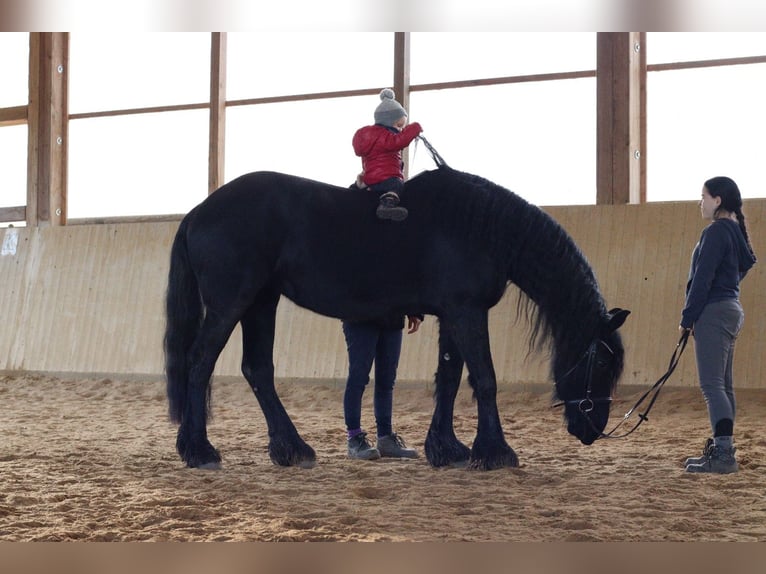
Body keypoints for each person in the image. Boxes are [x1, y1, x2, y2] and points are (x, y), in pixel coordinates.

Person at [680, 176, 756, 474]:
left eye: (704, 196)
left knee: (712, 386)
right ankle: (723, 447)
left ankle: (723, 455)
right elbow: (747, 263)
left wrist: (687, 318)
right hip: (730, 308)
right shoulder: (734, 230)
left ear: (718, 200)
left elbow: (702, 279)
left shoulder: (715, 232)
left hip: (713, 311)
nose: (701, 202)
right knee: (723, 385)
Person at [342, 314, 422, 460]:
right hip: (360, 314)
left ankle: (385, 438)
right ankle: (354, 439)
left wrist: (415, 311)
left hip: (392, 315)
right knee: (358, 377)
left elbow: (404, 288)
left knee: (387, 380)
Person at [352, 88, 423, 222]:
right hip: (386, 179)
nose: (400, 129)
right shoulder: (386, 137)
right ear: (389, 122)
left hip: (369, 178)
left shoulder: (368, 136)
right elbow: (399, 141)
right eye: (400, 125)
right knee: (397, 185)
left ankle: (354, 189)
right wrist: (414, 128)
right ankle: (387, 205)